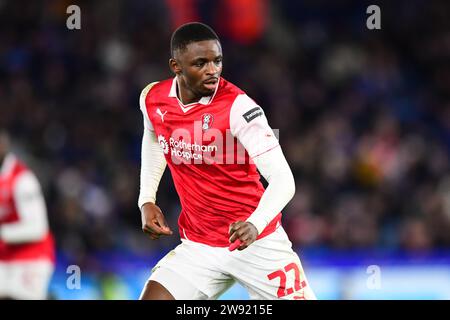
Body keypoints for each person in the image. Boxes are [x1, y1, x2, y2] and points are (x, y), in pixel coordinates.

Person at [138, 22, 316, 300]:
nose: (213, 70)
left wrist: (254, 224)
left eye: (217, 61)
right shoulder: (153, 98)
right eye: (201, 63)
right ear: (176, 66)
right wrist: (147, 199)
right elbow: (153, 137)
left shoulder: (240, 108)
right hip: (199, 245)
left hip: (257, 243)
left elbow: (284, 180)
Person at [0, 129, 55, 299]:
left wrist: (3, 233)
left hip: (31, 259)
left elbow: (37, 228)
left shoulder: (22, 179)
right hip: (5, 258)